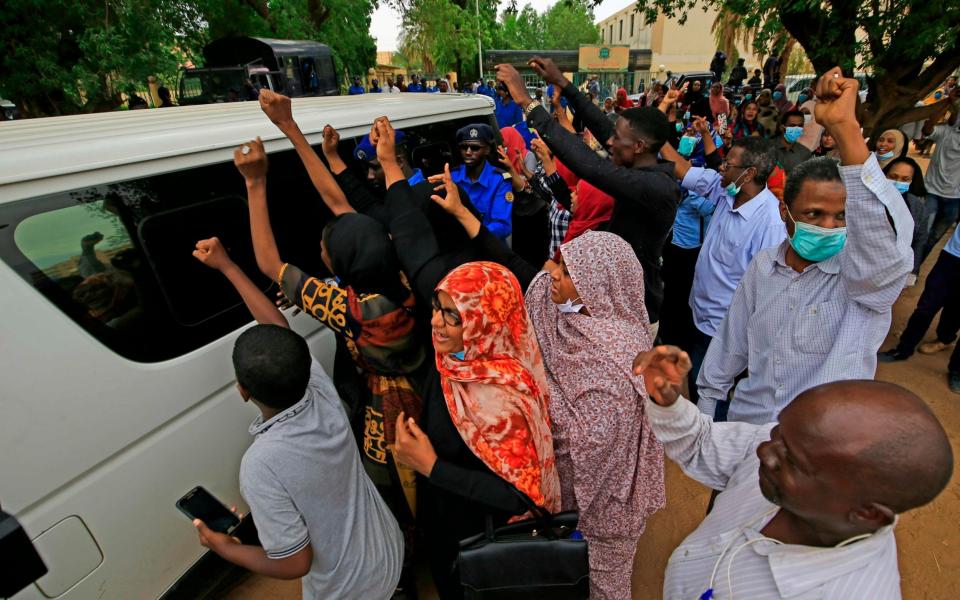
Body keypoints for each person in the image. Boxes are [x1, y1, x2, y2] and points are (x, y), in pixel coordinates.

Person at [633, 346, 953, 600]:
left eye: (794, 462)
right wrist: (668, 402)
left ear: (868, 514)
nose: (764, 451)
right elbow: (704, 443)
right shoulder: (785, 452)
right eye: (778, 431)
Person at [190, 237, 404, 599]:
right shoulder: (320, 395)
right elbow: (278, 327)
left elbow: (295, 564)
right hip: (388, 551)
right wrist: (228, 266)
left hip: (350, 590)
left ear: (243, 390)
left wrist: (226, 548)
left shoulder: (261, 465)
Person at [697, 68, 914, 424]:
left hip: (822, 451)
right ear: (786, 212)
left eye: (842, 216)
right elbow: (729, 348)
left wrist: (846, 131)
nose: (829, 227)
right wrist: (708, 429)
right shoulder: (765, 266)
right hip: (749, 433)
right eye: (814, 214)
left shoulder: (861, 281)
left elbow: (883, 251)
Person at [497, 57, 682, 332]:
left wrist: (528, 103)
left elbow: (588, 165)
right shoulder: (639, 161)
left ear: (639, 146)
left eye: (617, 139)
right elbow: (605, 128)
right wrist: (562, 82)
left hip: (633, 317)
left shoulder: (656, 188)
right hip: (611, 303)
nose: (609, 142)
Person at [660, 107, 785, 402]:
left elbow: (767, 290)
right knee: (698, 382)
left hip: (724, 330)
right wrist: (657, 135)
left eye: (729, 164)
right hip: (699, 312)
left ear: (749, 173)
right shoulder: (725, 191)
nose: (721, 167)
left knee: (711, 395)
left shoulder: (769, 224)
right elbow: (684, 170)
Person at [878, 225, 960, 393]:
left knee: (956, 310)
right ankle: (903, 349)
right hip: (952, 256)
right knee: (926, 307)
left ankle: (956, 367)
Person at [450, 123, 514, 240]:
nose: (468, 152)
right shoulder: (452, 176)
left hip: (487, 246)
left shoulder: (499, 180)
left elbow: (503, 226)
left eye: (475, 148)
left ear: (487, 150)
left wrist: (472, 232)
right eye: (464, 147)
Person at [918, 89, 960, 262]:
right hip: (932, 192)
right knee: (923, 233)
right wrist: (947, 103)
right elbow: (927, 129)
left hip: (955, 198)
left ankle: (916, 266)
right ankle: (911, 268)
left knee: (934, 238)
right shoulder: (946, 133)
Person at [883, 156, 931, 285]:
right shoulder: (868, 199)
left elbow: (920, 240)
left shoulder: (917, 207)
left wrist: (913, 270)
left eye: (905, 179)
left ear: (912, 181)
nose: (898, 182)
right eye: (893, 177)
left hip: (895, 269)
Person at [774, 109, 822, 175]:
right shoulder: (768, 147)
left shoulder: (805, 153)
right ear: (782, 127)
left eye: (800, 126)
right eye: (792, 125)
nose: (796, 129)